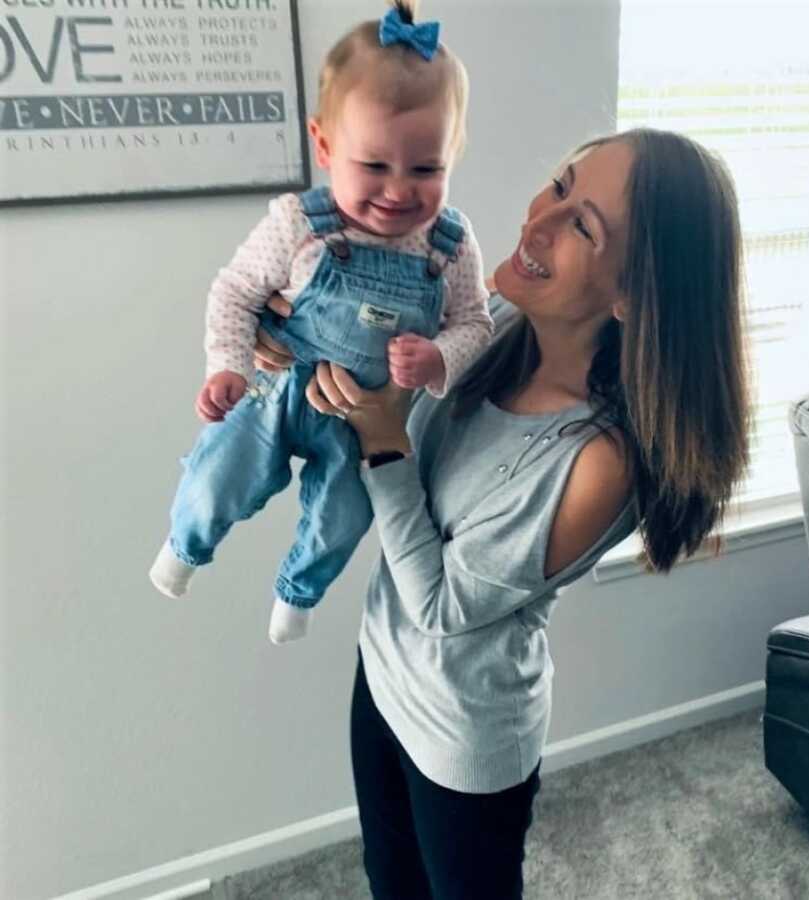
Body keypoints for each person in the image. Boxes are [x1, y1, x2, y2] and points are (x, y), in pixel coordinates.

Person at [253, 127, 751, 899]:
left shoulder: (597, 461)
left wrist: (385, 446)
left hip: (464, 735)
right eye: (561, 184)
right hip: (382, 673)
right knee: (389, 880)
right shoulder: (492, 325)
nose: (539, 221)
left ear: (632, 295)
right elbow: (376, 361)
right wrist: (294, 338)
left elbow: (442, 605)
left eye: (583, 226)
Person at [149, 0, 492, 644]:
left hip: (363, 415)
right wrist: (225, 363)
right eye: (374, 166)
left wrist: (441, 357)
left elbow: (476, 323)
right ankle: (184, 547)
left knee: (343, 514)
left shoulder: (449, 243)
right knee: (220, 472)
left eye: (426, 169)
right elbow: (236, 290)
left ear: (454, 155)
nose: (398, 191)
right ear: (326, 146)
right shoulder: (299, 225)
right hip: (279, 387)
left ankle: (296, 594)